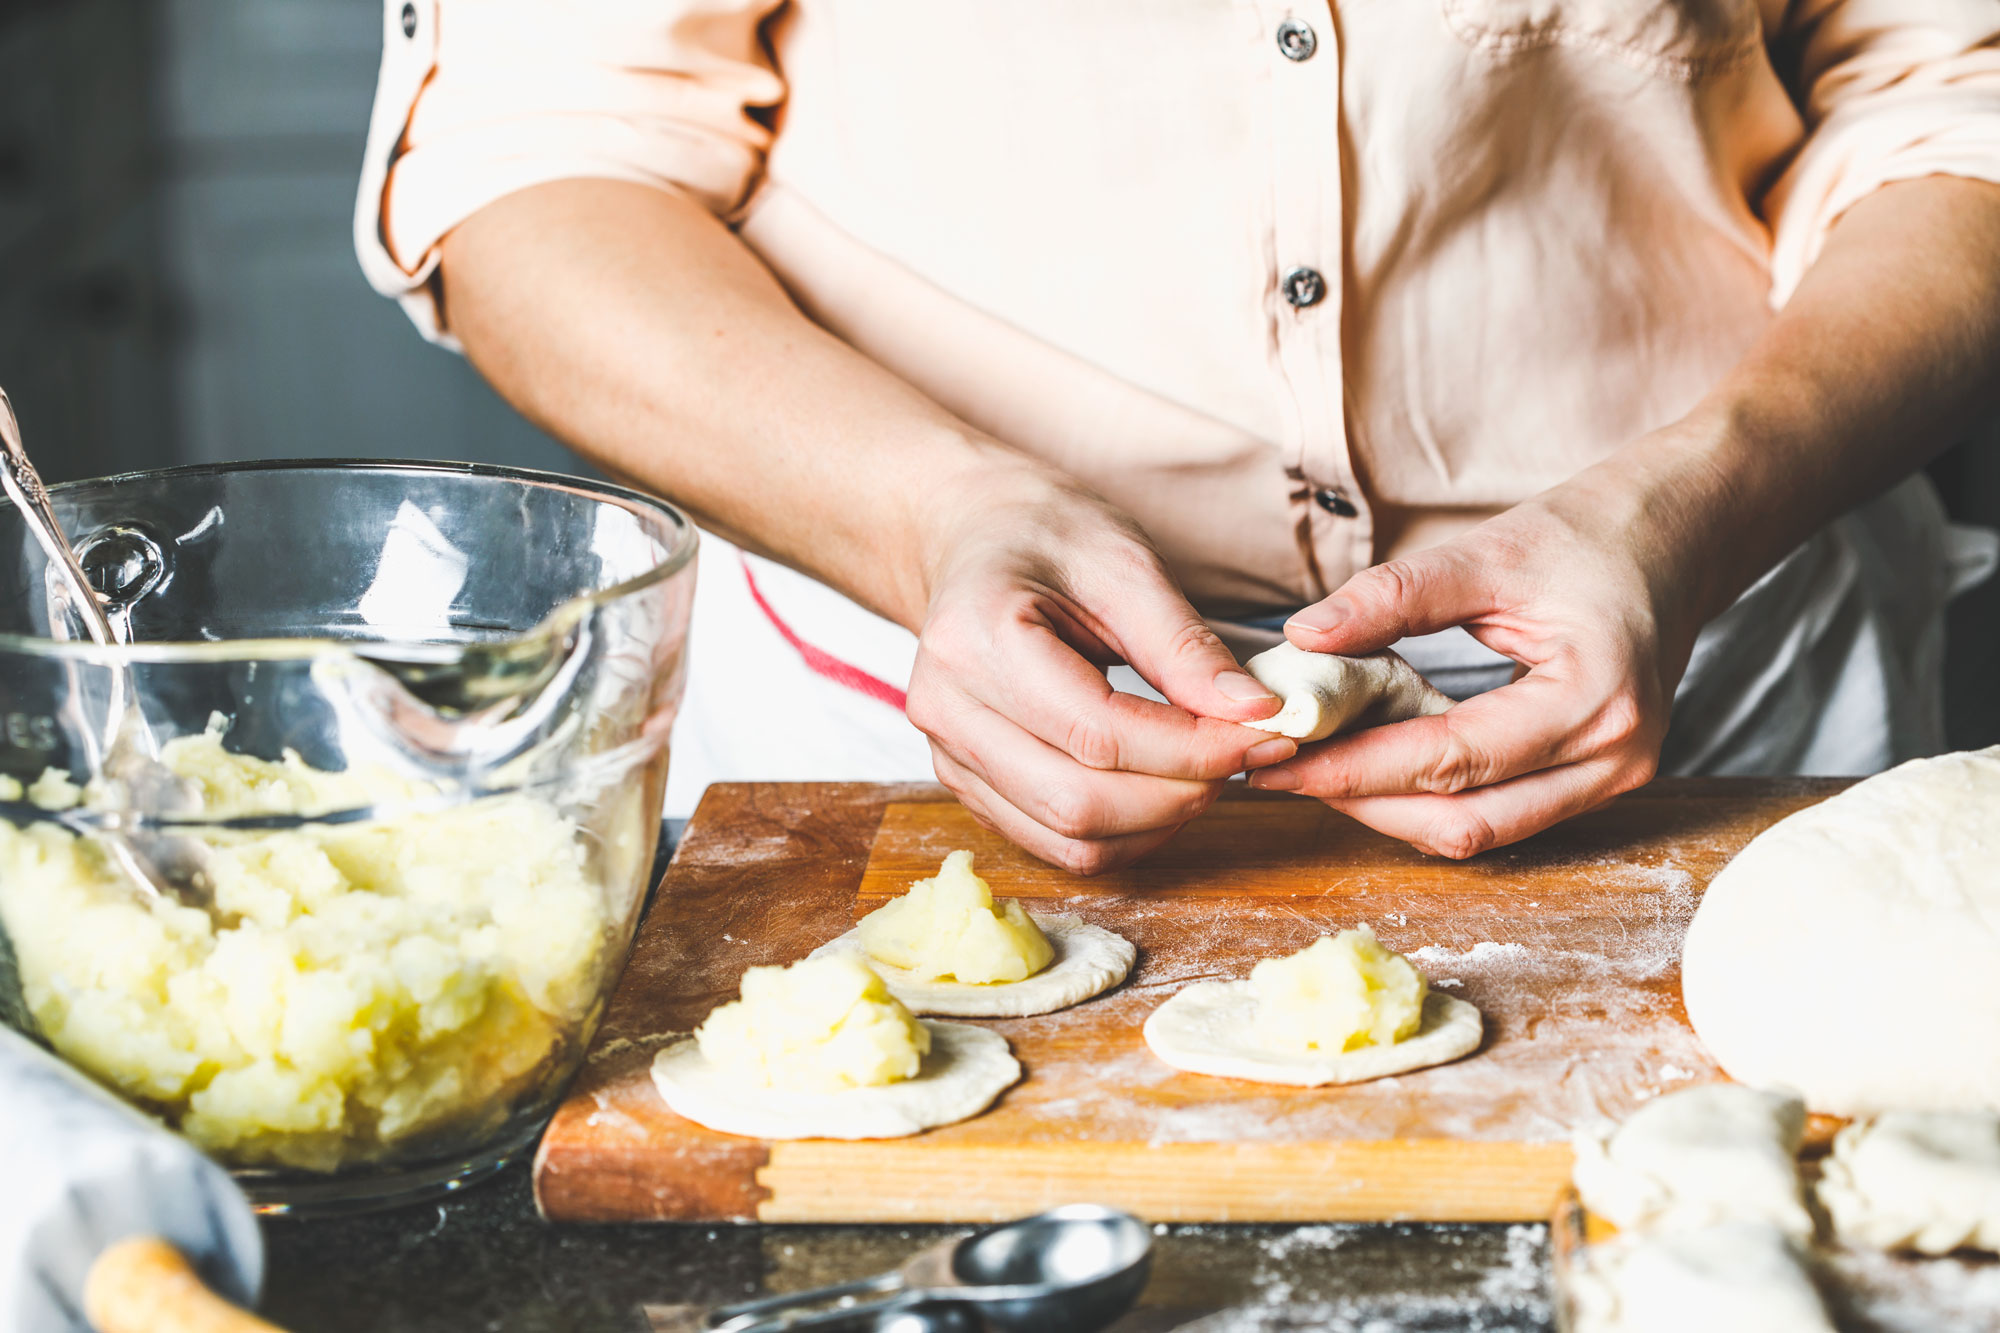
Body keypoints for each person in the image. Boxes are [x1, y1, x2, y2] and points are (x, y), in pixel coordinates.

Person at [356, 1, 2000, 873]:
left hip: (1712, 648)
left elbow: (1954, 100)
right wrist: (937, 515)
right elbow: (537, 163)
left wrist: (1685, 504)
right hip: (901, 703)